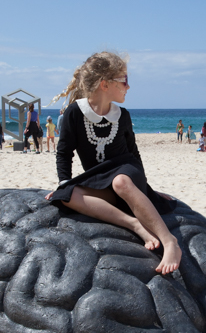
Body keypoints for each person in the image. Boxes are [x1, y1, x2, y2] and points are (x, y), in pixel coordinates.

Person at [45, 51, 180, 274]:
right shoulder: (74, 113)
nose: (128, 87)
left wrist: (146, 190)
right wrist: (63, 182)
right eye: (124, 81)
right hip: (99, 177)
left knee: (121, 182)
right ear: (104, 84)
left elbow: (133, 153)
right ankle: (134, 224)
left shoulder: (123, 115)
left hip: (126, 171)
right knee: (66, 196)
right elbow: (64, 152)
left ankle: (170, 242)